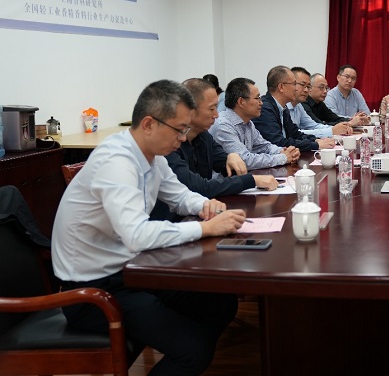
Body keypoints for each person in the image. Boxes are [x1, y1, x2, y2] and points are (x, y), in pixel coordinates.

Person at [52, 79, 247, 376]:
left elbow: (179, 195)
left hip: (131, 271)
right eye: (179, 129)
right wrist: (205, 229)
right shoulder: (116, 162)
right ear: (148, 124)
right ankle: (188, 351)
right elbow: (137, 235)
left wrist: (206, 206)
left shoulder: (153, 157)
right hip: (93, 291)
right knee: (192, 350)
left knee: (219, 302)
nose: (183, 137)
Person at [151, 79, 278, 219]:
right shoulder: (167, 145)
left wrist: (231, 156)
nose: (217, 115)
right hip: (175, 222)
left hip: (199, 214)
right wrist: (251, 180)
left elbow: (227, 166)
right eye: (212, 109)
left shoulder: (204, 136)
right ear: (190, 110)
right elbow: (198, 187)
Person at [210, 77, 300, 170]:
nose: (261, 103)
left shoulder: (248, 123)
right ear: (241, 102)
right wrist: (283, 158)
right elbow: (244, 160)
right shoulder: (223, 125)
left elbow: (264, 147)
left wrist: (285, 151)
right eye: (257, 98)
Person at [252, 66, 335, 151]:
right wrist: (315, 145)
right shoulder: (265, 108)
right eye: (294, 84)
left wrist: (315, 140)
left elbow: (295, 134)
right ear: (281, 87)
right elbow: (278, 143)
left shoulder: (283, 108)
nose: (296, 89)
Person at [290, 67, 352, 137]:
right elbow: (293, 134)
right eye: (302, 85)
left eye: (308, 86)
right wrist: (332, 130)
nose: (306, 90)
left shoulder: (299, 106)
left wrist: (340, 128)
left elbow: (313, 125)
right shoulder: (286, 106)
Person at [304, 73, 368, 127]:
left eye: (326, 88)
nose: (325, 91)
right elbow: (318, 125)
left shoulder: (320, 104)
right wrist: (349, 124)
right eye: (321, 87)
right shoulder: (303, 103)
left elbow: (335, 118)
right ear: (310, 88)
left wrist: (354, 119)